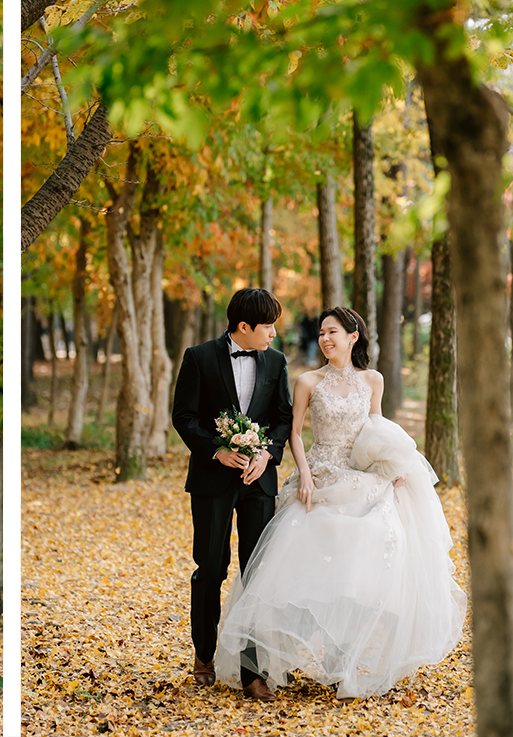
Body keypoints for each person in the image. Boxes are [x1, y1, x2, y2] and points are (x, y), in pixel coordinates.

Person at [214, 307, 466, 700]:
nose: (325, 339)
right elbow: (295, 433)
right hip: (319, 474)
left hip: (361, 477)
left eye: (333, 332)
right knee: (295, 563)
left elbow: (376, 428)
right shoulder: (308, 381)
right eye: (321, 333)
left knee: (360, 572)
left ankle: (342, 662)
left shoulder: (373, 379)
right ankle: (266, 661)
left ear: (353, 336)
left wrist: (393, 466)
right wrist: (307, 475)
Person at [171, 288, 295, 702]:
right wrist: (216, 449)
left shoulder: (276, 362)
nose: (274, 334)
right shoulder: (199, 357)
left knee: (257, 572)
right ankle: (203, 654)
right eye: (268, 326)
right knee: (210, 566)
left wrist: (267, 455)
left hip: (258, 484)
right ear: (244, 327)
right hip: (211, 480)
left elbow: (282, 419)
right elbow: (183, 416)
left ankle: (252, 670)